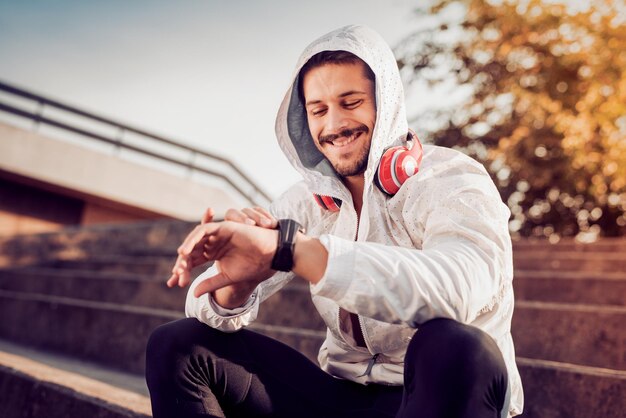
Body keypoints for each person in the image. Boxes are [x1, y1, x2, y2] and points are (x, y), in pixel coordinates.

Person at [145, 25, 523, 417]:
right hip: (343, 399)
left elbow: (460, 286)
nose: (334, 124)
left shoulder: (452, 178)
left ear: (386, 102)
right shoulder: (304, 201)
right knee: (178, 344)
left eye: (351, 101)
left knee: (456, 345)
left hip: (432, 398)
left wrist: (296, 250)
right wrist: (236, 286)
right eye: (318, 110)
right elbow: (203, 307)